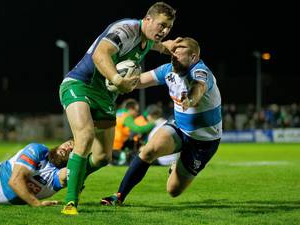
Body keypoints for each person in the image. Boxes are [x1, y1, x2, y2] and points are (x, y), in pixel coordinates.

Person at [59, 2, 176, 215]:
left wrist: (176, 47)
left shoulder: (149, 40)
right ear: (147, 19)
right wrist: (117, 79)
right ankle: (70, 203)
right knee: (84, 138)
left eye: (168, 27)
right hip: (79, 84)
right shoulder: (126, 29)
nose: (164, 31)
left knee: (103, 157)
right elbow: (99, 54)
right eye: (161, 25)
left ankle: (68, 176)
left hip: (105, 97)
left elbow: (163, 46)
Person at [100, 37, 222, 205]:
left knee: (173, 191)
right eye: (173, 51)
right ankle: (119, 196)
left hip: (204, 141)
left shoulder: (201, 72)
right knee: (148, 150)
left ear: (193, 57)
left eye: (180, 52)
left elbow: (198, 87)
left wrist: (190, 100)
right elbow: (140, 81)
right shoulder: (168, 70)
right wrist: (119, 80)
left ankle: (176, 165)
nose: (174, 55)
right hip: (179, 127)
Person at [112, 98, 155, 165]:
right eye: (136, 111)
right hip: (116, 147)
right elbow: (137, 129)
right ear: (131, 109)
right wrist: (153, 124)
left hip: (110, 145)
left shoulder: (119, 112)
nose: (137, 113)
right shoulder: (126, 116)